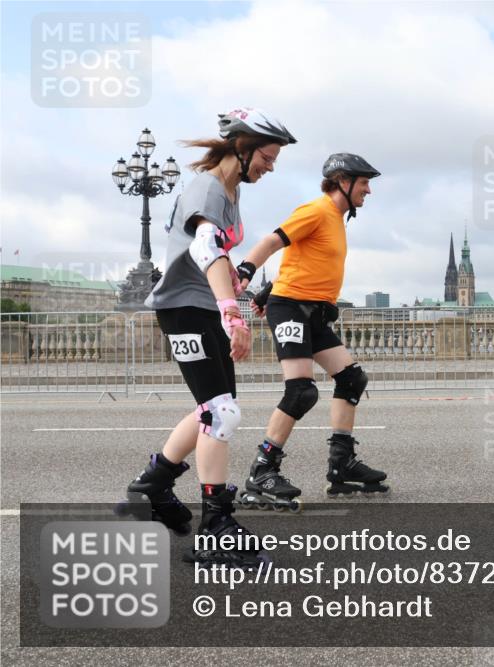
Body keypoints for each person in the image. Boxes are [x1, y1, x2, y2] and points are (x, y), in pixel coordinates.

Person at [120, 108, 296, 565]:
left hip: (201, 308)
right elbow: (203, 248)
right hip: (185, 309)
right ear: (241, 145)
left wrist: (239, 291)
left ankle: (151, 486)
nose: (271, 166)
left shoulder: (230, 191)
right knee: (222, 413)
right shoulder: (208, 187)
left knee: (213, 412)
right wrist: (232, 314)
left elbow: (212, 259)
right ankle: (215, 525)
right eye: (268, 156)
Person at [234, 153, 388, 511]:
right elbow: (275, 241)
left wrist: (270, 288)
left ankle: (342, 463)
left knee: (352, 379)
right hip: (291, 310)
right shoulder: (316, 210)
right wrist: (246, 269)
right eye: (364, 183)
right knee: (302, 392)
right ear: (342, 182)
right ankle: (262, 470)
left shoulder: (335, 218)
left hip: (313, 313)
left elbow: (303, 261)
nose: (368, 190)